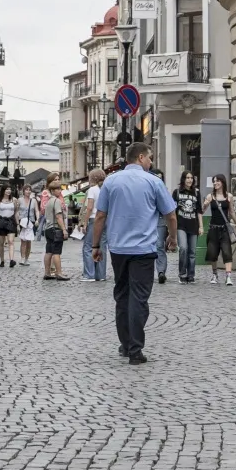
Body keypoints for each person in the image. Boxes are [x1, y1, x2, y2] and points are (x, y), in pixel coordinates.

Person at [89, 143, 176, 364]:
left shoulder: (111, 181)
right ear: (140, 157)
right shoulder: (154, 182)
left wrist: (96, 245)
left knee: (122, 296)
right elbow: (171, 215)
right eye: (150, 158)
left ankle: (125, 344)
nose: (151, 162)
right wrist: (172, 238)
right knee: (139, 299)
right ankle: (135, 350)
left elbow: (100, 216)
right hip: (144, 250)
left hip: (118, 249)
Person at [202, 175, 236, 286]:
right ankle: (215, 275)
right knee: (213, 253)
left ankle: (228, 276)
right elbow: (202, 211)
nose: (215, 183)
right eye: (214, 181)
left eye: (217, 181)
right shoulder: (210, 196)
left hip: (225, 229)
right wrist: (205, 205)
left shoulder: (229, 196)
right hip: (213, 228)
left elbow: (231, 212)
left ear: (222, 182)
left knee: (227, 252)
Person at [172, 172, 201, 284]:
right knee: (183, 248)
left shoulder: (196, 193)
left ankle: (191, 274)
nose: (189, 180)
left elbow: (199, 211)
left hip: (193, 225)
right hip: (181, 225)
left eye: (191, 178)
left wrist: (201, 226)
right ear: (183, 179)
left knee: (192, 251)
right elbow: (173, 210)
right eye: (187, 178)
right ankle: (182, 273)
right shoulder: (177, 192)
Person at [80, 169, 107, 281]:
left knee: (88, 247)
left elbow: (89, 207)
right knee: (102, 247)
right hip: (105, 220)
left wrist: (84, 223)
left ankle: (89, 274)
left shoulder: (92, 190)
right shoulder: (105, 189)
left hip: (94, 219)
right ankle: (101, 275)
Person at [40, 180, 71, 280]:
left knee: (48, 251)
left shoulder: (48, 201)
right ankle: (59, 273)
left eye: (60, 189)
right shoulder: (57, 201)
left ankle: (47, 273)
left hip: (48, 229)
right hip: (55, 228)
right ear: (52, 191)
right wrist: (64, 230)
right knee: (57, 252)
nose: (59, 191)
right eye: (57, 189)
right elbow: (58, 216)